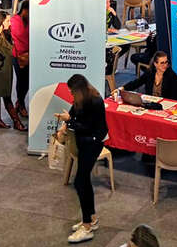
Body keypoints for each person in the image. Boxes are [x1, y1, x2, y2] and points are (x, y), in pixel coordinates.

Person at [55, 74, 107, 244]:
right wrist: (65, 124)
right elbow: (73, 112)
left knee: (80, 182)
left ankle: (86, 226)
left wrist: (70, 121)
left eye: (72, 92)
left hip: (92, 143)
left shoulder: (95, 101)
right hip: (83, 143)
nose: (71, 95)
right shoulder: (81, 99)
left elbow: (87, 128)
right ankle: (91, 219)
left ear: (79, 90)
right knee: (83, 182)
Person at [11, 0, 30, 118]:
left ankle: (20, 102)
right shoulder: (14, 20)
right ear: (24, 10)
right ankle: (21, 104)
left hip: (29, 55)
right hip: (16, 55)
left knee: (27, 81)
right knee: (20, 80)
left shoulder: (32, 20)